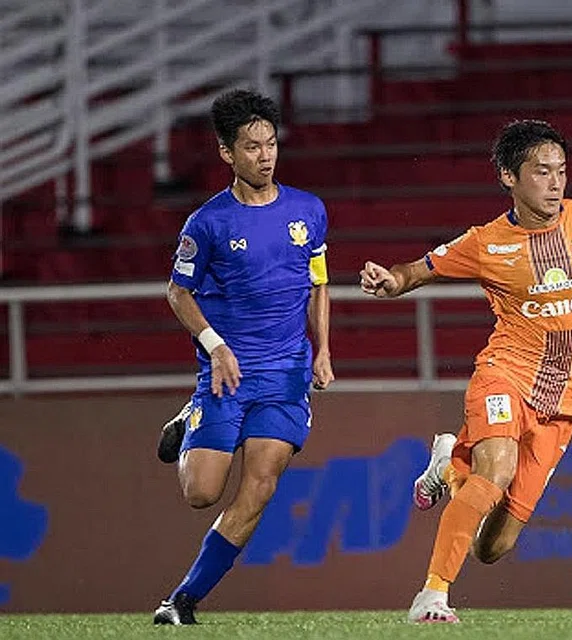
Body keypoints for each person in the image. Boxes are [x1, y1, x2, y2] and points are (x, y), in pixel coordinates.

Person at [359, 119, 572, 624]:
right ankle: (432, 595)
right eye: (541, 172)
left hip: (564, 405)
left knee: (493, 547)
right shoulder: (488, 243)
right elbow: (418, 270)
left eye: (561, 172)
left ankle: (448, 464)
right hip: (504, 376)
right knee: (495, 472)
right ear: (509, 177)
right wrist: (389, 280)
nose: (555, 184)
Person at [152, 89, 334, 625]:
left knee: (260, 484)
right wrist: (216, 346)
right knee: (201, 493)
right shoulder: (207, 223)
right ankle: (191, 419)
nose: (265, 155)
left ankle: (183, 600)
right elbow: (176, 292)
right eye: (252, 147)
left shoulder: (309, 211)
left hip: (286, 372)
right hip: (226, 371)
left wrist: (322, 350)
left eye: (271, 144)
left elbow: (319, 283)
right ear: (227, 153)